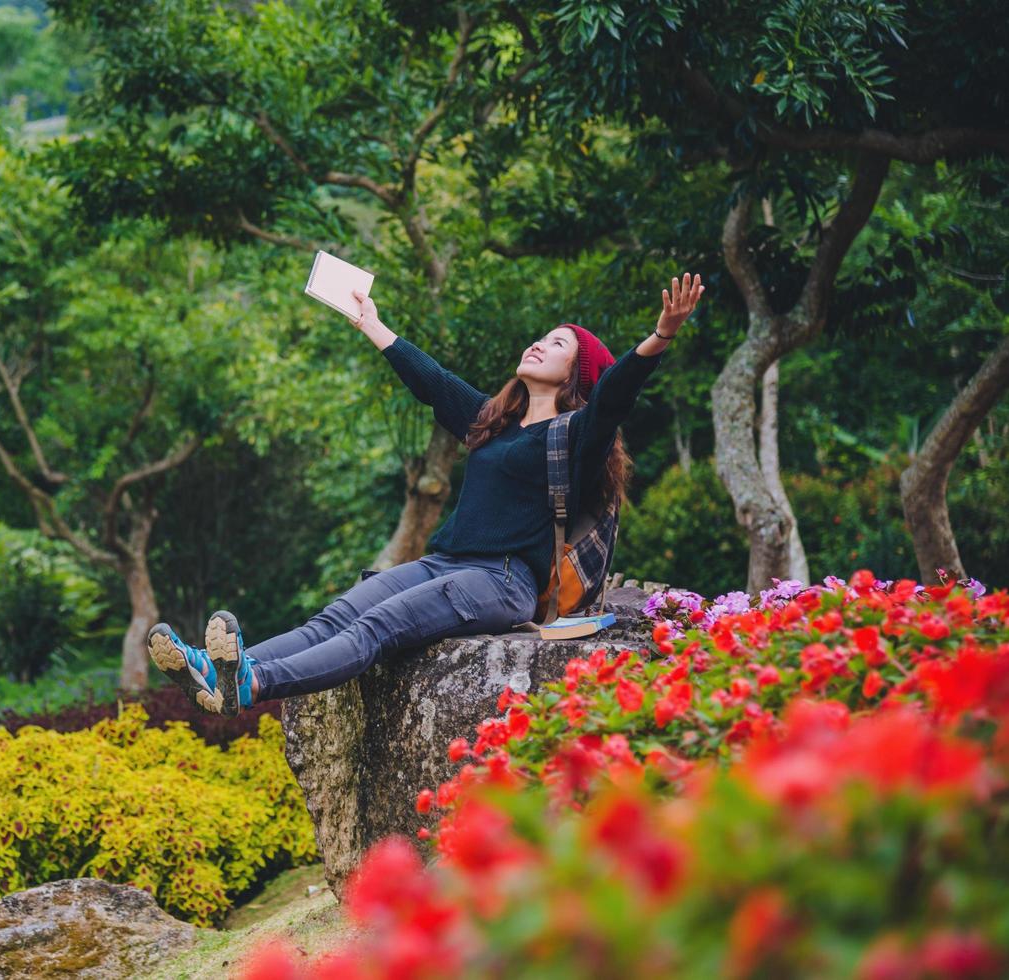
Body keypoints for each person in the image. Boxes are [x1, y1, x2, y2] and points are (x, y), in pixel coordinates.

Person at [147, 273, 706, 716]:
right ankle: (211, 667)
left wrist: (661, 336)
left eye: (557, 343)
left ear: (575, 375)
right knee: (335, 616)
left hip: (503, 580)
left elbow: (615, 396)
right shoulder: (494, 422)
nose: (538, 343)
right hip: (445, 562)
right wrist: (372, 323)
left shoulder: (576, 436)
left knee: (376, 629)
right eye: (541, 336)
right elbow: (433, 381)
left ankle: (253, 682)